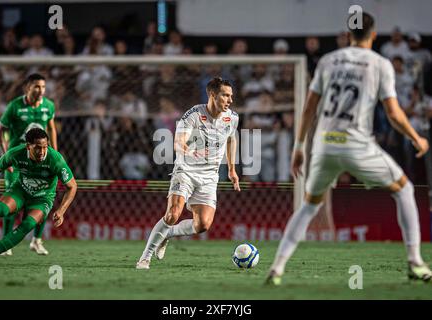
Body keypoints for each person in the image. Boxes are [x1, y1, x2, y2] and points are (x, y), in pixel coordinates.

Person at [266, 12, 432, 285]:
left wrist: (298, 146)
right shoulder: (379, 63)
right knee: (405, 189)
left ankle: (277, 268)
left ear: (348, 34)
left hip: (323, 144)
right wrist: (417, 137)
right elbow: (393, 113)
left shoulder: (329, 60)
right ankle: (415, 261)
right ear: (374, 34)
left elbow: (309, 108)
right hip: (356, 144)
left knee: (308, 206)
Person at [136, 77, 241, 269]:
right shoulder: (193, 114)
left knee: (203, 225)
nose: (230, 100)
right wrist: (191, 151)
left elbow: (231, 140)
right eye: (225, 95)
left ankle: (167, 234)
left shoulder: (232, 118)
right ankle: (145, 257)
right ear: (212, 94)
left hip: (210, 176)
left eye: (231, 96)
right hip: (186, 170)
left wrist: (232, 170)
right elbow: (178, 142)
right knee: (172, 214)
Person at [0, 128, 77, 265]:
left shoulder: (55, 159)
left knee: (28, 224)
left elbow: (72, 186)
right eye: (38, 147)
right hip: (20, 190)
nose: (42, 151)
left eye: (45, 147)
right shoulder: (16, 153)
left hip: (42, 198)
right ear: (28, 146)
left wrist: (61, 211)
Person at [0, 73, 58, 256]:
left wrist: (55, 153)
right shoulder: (15, 106)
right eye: (36, 87)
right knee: (12, 201)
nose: (40, 91)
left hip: (41, 163)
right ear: (27, 88)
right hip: (17, 162)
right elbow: (1, 130)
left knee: (43, 198)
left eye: (43, 87)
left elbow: (51, 128)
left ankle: (36, 241)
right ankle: (7, 242)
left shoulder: (48, 106)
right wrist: (5, 155)